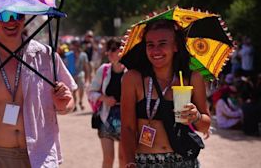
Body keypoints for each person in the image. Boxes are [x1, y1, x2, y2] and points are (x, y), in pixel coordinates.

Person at [0, 11, 77, 168]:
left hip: (38, 156)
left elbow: (68, 104)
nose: (11, 21)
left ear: (24, 18)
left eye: (18, 15)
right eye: (3, 15)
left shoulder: (46, 56)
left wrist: (64, 105)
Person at [120, 19, 211, 167]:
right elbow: (127, 128)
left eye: (162, 44)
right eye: (150, 45)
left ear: (175, 46)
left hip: (184, 161)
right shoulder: (133, 79)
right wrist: (130, 161)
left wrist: (196, 116)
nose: (156, 51)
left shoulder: (192, 78)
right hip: (146, 161)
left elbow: (205, 126)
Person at [88, 38, 126, 168]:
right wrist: (104, 99)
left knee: (124, 159)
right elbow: (91, 92)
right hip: (106, 118)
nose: (109, 53)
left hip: (126, 120)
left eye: (113, 49)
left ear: (122, 50)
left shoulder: (131, 72)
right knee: (108, 159)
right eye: (108, 49)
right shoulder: (104, 70)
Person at [67, 39, 90, 111]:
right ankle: (75, 104)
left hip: (80, 74)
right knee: (74, 90)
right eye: (74, 45)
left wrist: (87, 79)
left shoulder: (83, 55)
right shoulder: (69, 55)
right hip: (72, 74)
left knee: (81, 89)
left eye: (76, 45)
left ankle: (80, 101)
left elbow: (86, 67)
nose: (75, 47)